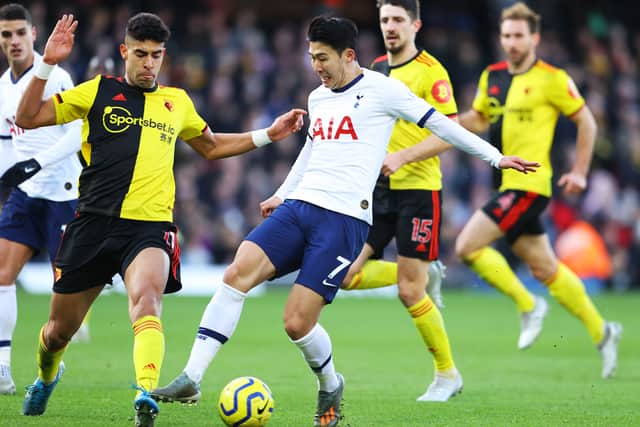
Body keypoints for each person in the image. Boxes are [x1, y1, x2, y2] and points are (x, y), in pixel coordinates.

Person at [151, 16, 538, 427]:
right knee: (235, 274)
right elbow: (311, 149)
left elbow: (443, 124)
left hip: (344, 220)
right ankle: (192, 377)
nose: (316, 66)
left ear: (349, 56)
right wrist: (283, 192)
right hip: (300, 206)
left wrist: (496, 158)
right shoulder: (319, 97)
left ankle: (330, 384)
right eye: (312, 57)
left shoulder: (383, 90)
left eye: (323, 58)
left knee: (296, 322)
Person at [15, 12, 305, 427]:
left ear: (164, 55)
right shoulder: (95, 92)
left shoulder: (177, 102)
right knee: (56, 333)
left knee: (147, 301)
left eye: (156, 55)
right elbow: (28, 118)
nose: (149, 63)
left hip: (148, 228)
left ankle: (144, 393)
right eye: (140, 54)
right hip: (92, 224)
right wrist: (46, 64)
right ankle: (46, 376)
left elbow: (209, 146)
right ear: (124, 52)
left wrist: (267, 135)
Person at [454, 2, 622, 378]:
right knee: (546, 268)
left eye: (519, 36)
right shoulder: (492, 76)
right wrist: (443, 123)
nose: (512, 42)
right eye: (507, 35)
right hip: (504, 183)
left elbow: (587, 123)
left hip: (530, 184)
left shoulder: (552, 78)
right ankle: (603, 331)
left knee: (466, 246)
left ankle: (528, 304)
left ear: (535, 38)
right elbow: (479, 118)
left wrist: (579, 172)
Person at [337, 0, 461, 402]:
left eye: (397, 20)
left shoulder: (431, 72)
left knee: (410, 294)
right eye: (384, 20)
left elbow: (451, 132)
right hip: (379, 192)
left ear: (416, 25)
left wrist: (403, 156)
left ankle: (447, 375)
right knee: (346, 276)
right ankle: (423, 273)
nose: (390, 27)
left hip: (419, 192)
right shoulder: (376, 69)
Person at [0, 3, 83, 396]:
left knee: (64, 299)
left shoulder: (56, 76)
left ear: (34, 34)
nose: (13, 41)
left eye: (19, 32)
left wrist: (36, 163)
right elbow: (5, 144)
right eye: (5, 34)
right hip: (25, 195)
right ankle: (1, 366)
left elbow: (76, 134)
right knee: (1, 274)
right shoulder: (2, 88)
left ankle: (50, 364)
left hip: (64, 195)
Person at [69, 54, 117, 345]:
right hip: (70, 191)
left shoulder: (118, 111)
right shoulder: (77, 103)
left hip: (97, 196)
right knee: (72, 262)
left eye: (105, 71)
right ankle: (75, 321)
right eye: (96, 70)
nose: (100, 75)